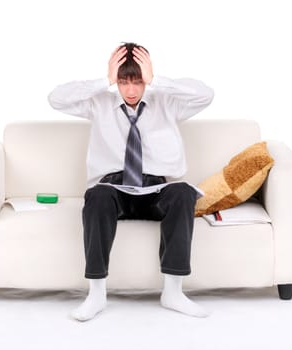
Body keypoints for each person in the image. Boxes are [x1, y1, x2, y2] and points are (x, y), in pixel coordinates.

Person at [48, 42, 214, 321]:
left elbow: (206, 95)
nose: (131, 90)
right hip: (115, 189)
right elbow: (56, 98)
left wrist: (156, 80)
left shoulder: (166, 102)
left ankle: (173, 292)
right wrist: (104, 81)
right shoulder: (99, 102)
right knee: (97, 195)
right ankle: (96, 294)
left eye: (137, 81)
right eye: (124, 82)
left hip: (157, 189)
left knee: (183, 192)